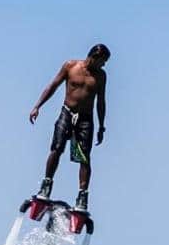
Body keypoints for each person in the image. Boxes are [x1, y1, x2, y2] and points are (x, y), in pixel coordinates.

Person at [27, 43, 110, 212]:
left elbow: (101, 102)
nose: (104, 65)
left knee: (84, 158)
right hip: (67, 113)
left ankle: (82, 196)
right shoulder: (70, 66)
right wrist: (37, 106)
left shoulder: (101, 76)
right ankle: (46, 185)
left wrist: (102, 126)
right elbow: (53, 86)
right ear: (94, 57)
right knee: (56, 149)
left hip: (86, 120)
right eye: (103, 61)